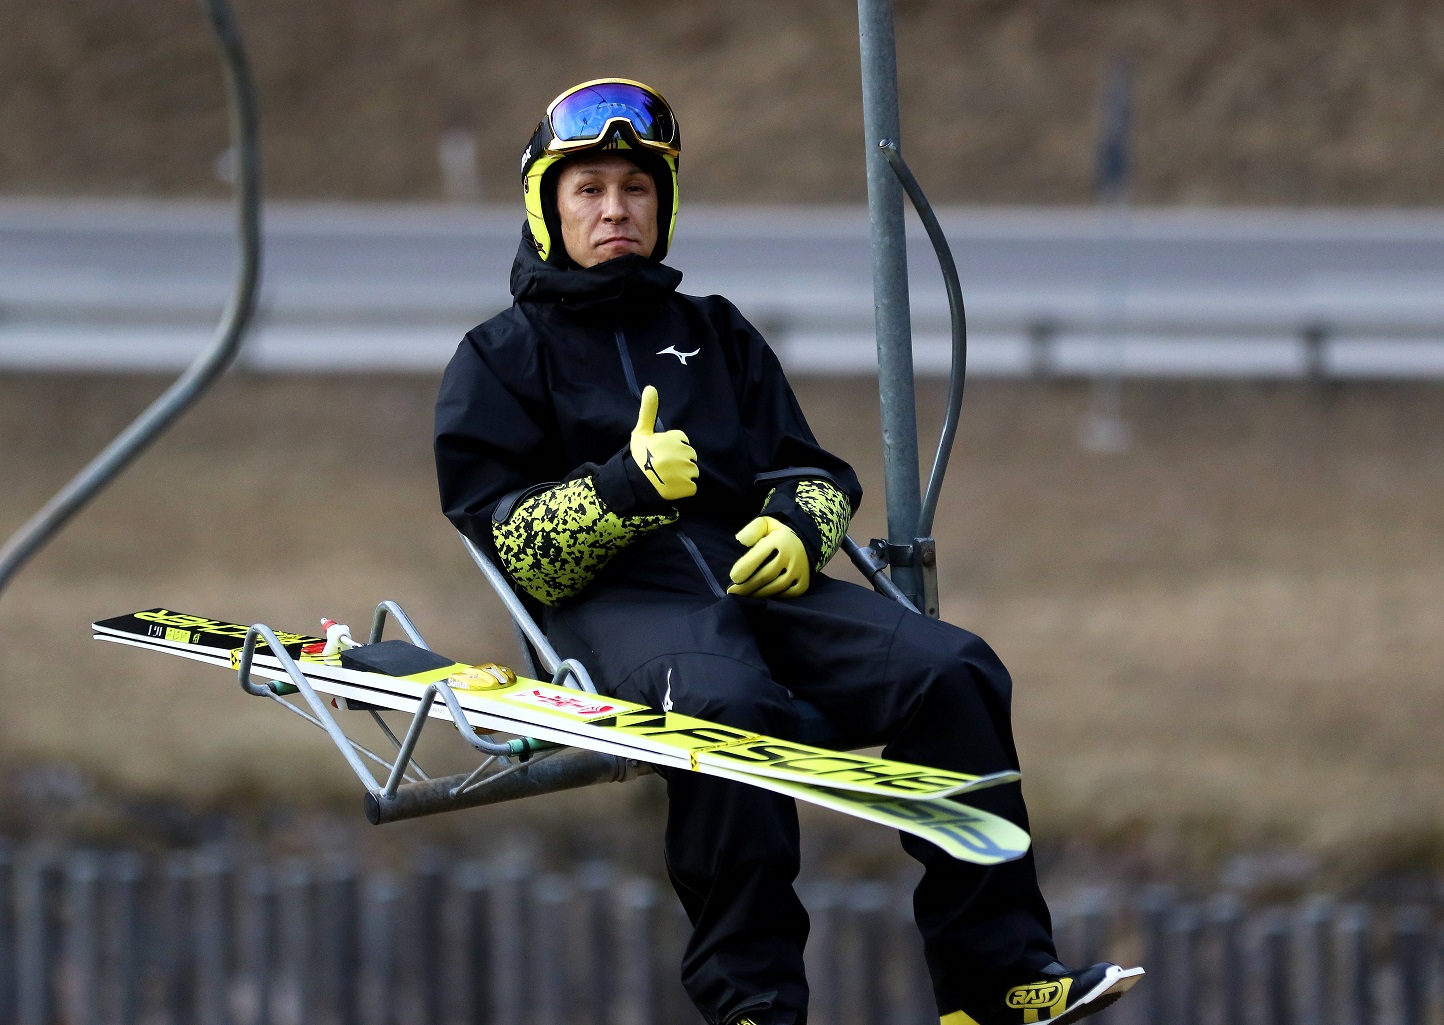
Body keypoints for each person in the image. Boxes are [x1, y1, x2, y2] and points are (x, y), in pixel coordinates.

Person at [434, 78, 1141, 1025]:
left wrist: (798, 529)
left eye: (637, 190)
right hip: (620, 613)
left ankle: (995, 984)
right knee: (733, 713)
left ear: (665, 205)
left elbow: (811, 471)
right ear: (547, 207)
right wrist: (621, 488)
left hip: (759, 592)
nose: (615, 211)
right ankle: (755, 1003)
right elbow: (513, 550)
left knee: (956, 668)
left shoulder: (713, 333)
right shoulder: (497, 358)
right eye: (590, 190)